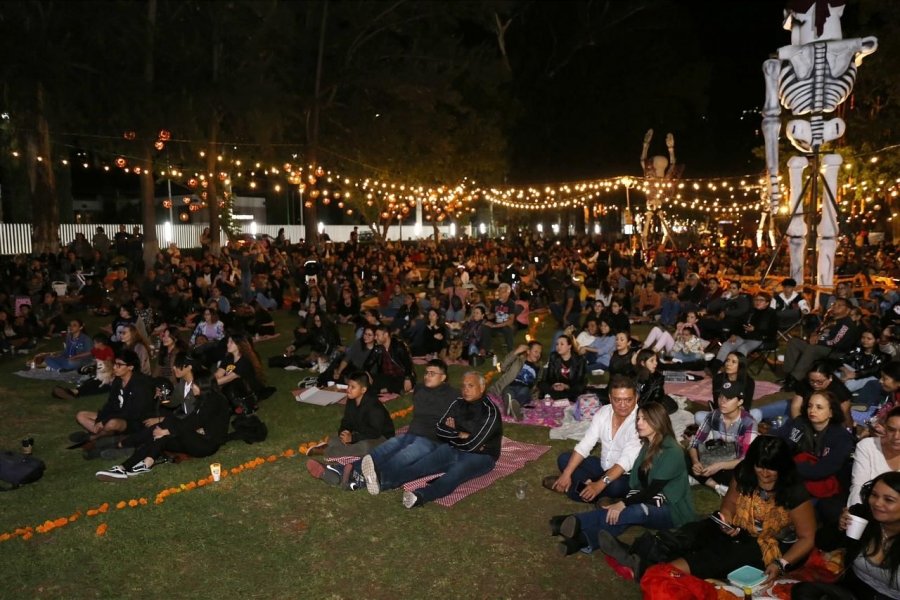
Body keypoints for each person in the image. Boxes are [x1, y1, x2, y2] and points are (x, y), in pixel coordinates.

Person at [644, 436, 817, 585]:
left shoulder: (793, 491)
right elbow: (729, 504)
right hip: (741, 528)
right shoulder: (745, 472)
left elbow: (806, 538)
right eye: (760, 466)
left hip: (772, 544)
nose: (764, 473)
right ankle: (658, 551)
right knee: (700, 530)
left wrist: (781, 564)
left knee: (725, 555)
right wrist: (726, 519)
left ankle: (666, 572)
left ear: (782, 468)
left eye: (771, 468)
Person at [553, 402, 695, 556]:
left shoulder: (672, 451)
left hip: (671, 509)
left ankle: (574, 521)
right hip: (646, 498)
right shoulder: (648, 444)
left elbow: (651, 491)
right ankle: (580, 541)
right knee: (621, 516)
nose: (639, 423)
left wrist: (622, 503)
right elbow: (635, 480)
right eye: (638, 418)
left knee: (635, 511)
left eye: (645, 419)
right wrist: (611, 494)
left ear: (658, 421)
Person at [344, 359, 459, 494]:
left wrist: (453, 425)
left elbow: (461, 417)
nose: (427, 376)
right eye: (426, 372)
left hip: (430, 439)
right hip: (411, 433)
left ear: (443, 377)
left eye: (432, 373)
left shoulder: (453, 395)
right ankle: (348, 470)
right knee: (384, 450)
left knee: (402, 457)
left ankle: (374, 478)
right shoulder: (420, 389)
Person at [94, 372, 231, 480]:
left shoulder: (215, 400)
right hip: (195, 438)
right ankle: (127, 466)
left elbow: (194, 422)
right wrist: (166, 430)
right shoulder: (204, 398)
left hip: (207, 444)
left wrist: (168, 431)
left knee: (167, 428)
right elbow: (190, 421)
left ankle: (125, 447)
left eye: (195, 384)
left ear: (203, 385)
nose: (192, 387)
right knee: (160, 432)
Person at [793, 472, 900, 599]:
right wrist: (839, 527)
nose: (877, 503)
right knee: (804, 591)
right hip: (854, 592)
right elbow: (822, 543)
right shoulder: (862, 515)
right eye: (874, 495)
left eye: (888, 500)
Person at [544, 374, 641, 504]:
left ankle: (575, 490)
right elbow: (585, 444)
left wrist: (600, 484)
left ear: (636, 398)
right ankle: (596, 494)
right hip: (603, 466)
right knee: (564, 460)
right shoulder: (603, 413)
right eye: (617, 400)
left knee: (615, 487)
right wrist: (567, 473)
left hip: (625, 474)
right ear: (610, 398)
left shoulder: (641, 421)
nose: (623, 405)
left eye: (628, 400)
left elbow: (625, 461)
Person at [776, 390, 855, 530]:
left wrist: (788, 466)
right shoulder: (800, 424)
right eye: (810, 406)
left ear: (831, 412)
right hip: (797, 476)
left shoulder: (841, 437)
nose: (812, 410)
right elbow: (779, 443)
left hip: (829, 487)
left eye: (819, 407)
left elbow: (822, 469)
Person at [306, 372, 394, 471]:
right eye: (348, 386)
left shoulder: (374, 407)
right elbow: (347, 420)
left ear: (363, 390)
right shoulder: (352, 400)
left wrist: (353, 438)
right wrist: (344, 431)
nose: (348, 390)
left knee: (364, 447)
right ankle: (332, 445)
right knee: (334, 439)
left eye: (353, 387)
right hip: (361, 433)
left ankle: (327, 451)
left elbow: (375, 432)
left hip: (382, 438)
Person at [70, 350, 155, 446]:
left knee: (112, 423)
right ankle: (107, 435)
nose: (114, 367)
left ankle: (93, 437)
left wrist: (105, 421)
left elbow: (132, 413)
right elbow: (110, 404)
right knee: (81, 415)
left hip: (133, 422)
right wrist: (100, 419)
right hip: (116, 415)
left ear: (130, 367)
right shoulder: (118, 381)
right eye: (115, 363)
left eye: (119, 365)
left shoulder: (139, 386)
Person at [688, 385, 758, 497]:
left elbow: (746, 459)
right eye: (721, 397)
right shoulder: (713, 415)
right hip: (717, 454)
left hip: (734, 463)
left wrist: (719, 466)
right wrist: (695, 462)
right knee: (685, 457)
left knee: (744, 475)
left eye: (729, 399)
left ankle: (702, 479)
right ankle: (715, 485)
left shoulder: (748, 422)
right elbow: (694, 443)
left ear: (740, 402)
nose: (722, 402)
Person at [780, 297, 861, 392]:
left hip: (834, 351)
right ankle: (788, 375)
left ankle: (795, 380)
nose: (835, 307)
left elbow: (835, 341)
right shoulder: (830, 319)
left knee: (812, 349)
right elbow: (817, 331)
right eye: (834, 304)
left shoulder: (846, 324)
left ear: (847, 310)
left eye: (839, 305)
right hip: (822, 347)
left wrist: (818, 341)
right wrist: (813, 335)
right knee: (794, 342)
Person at [709, 292, 777, 372]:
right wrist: (733, 334)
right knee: (726, 345)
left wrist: (755, 329)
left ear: (767, 303)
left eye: (761, 300)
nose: (758, 302)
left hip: (757, 338)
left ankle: (735, 371)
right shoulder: (750, 311)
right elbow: (738, 323)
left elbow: (772, 332)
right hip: (742, 335)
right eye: (756, 300)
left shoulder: (771, 314)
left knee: (742, 349)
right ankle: (715, 369)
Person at [849, 406, 900, 507]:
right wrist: (856, 515)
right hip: (869, 510)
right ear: (885, 427)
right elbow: (858, 487)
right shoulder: (868, 447)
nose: (896, 436)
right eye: (891, 430)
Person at [488, 341, 543, 419]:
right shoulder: (518, 360)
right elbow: (503, 366)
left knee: (524, 393)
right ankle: (513, 408)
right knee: (508, 393)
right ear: (528, 351)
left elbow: (536, 383)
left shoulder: (539, 367)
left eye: (539, 353)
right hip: (511, 385)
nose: (538, 354)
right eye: (536, 351)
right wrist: (516, 351)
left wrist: (535, 397)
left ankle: (511, 407)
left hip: (524, 388)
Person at [215, 334, 266, 413]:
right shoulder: (228, 358)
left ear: (239, 345)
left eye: (231, 342)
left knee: (232, 384)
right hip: (232, 387)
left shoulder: (244, 361)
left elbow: (229, 378)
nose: (228, 344)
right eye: (228, 342)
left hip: (247, 389)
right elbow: (218, 374)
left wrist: (205, 384)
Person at [362, 325, 416, 395]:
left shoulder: (398, 346)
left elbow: (408, 364)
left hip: (402, 376)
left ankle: (385, 390)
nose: (375, 338)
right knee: (364, 379)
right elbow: (367, 363)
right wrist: (367, 374)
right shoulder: (378, 348)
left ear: (386, 335)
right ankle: (388, 389)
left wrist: (407, 378)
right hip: (387, 377)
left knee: (401, 383)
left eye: (377, 335)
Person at [538, 334, 586, 402]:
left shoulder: (579, 359)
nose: (558, 346)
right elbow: (550, 377)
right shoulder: (553, 356)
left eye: (562, 344)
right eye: (557, 344)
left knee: (579, 387)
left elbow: (579, 380)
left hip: (570, 388)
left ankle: (558, 397)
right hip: (557, 387)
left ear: (569, 346)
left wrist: (566, 386)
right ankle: (561, 397)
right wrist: (554, 385)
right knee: (542, 384)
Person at [633, 349, 677, 414]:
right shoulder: (636, 374)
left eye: (656, 360)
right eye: (652, 361)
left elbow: (656, 398)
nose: (656, 363)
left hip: (654, 404)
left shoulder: (658, 378)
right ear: (642, 363)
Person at [485, 282, 521, 355]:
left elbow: (510, 321)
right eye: (499, 291)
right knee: (484, 327)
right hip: (497, 324)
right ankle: (487, 349)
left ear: (508, 293)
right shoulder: (495, 302)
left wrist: (495, 325)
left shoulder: (511, 304)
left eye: (502, 292)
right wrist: (484, 315)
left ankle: (511, 352)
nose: (500, 294)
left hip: (507, 325)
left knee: (507, 329)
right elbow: (492, 315)